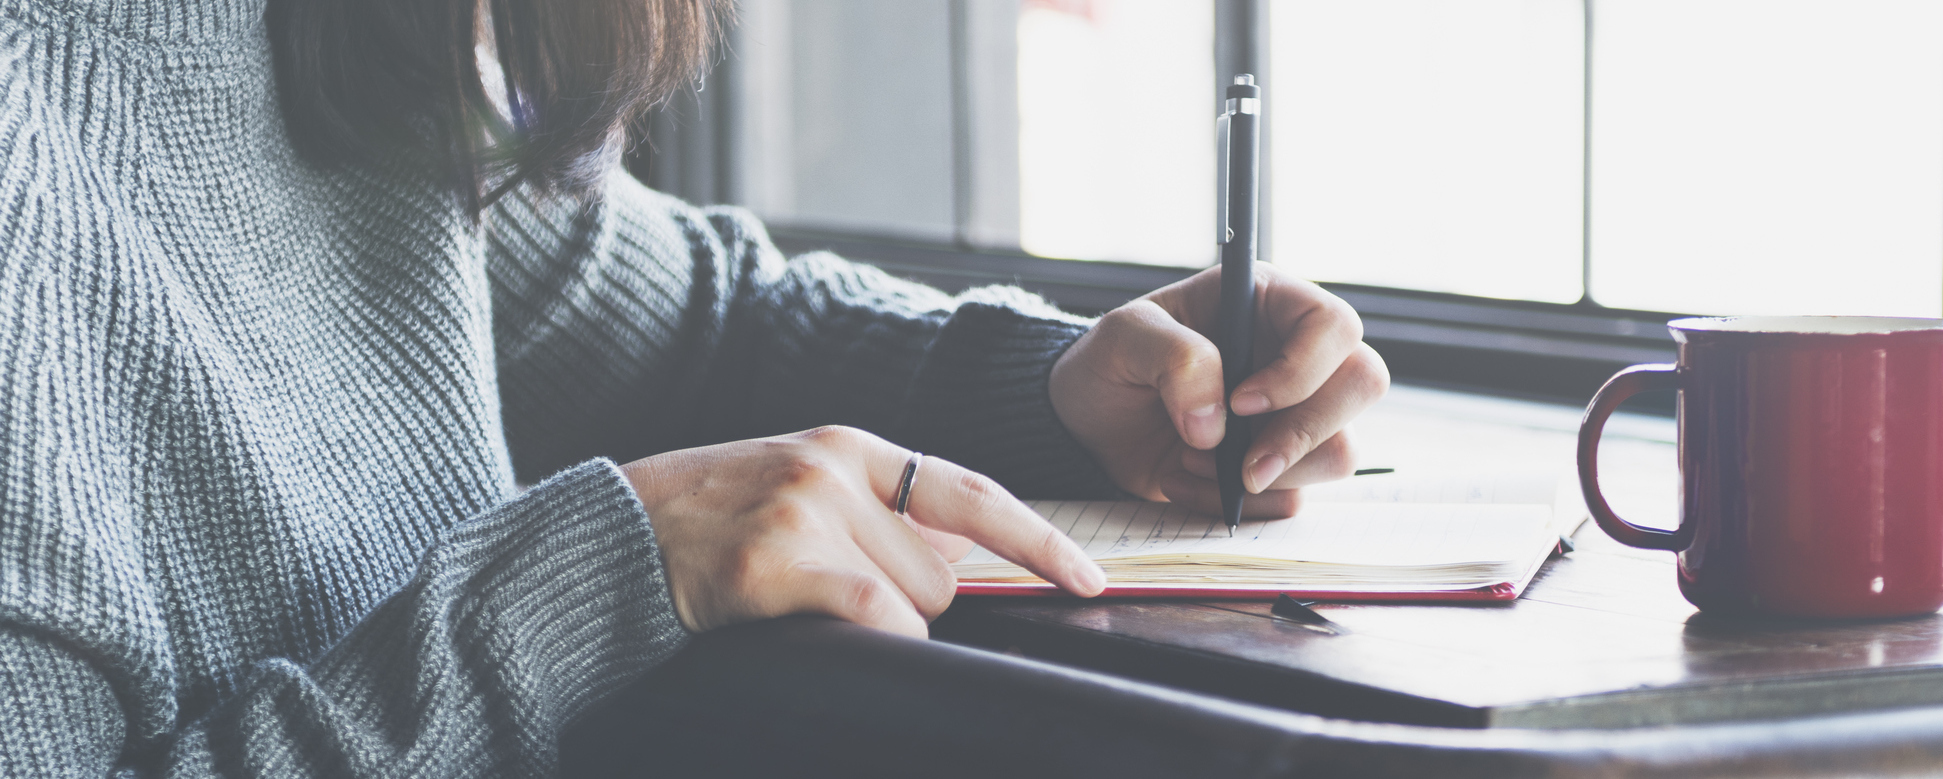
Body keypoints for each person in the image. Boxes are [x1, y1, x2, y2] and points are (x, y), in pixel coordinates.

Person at [0, 0, 1386, 775]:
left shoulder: (341, 34)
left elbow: (686, 318)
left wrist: (1054, 385)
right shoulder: (32, 152)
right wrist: (591, 585)